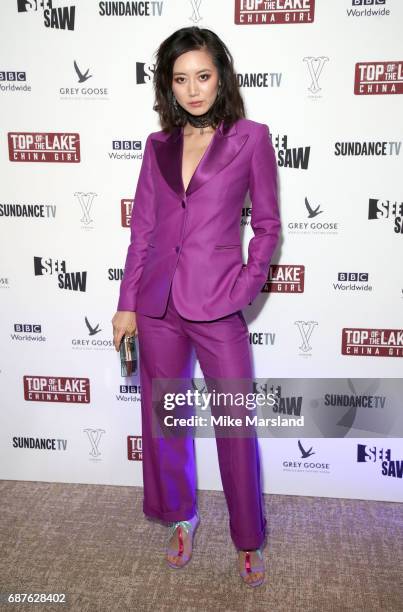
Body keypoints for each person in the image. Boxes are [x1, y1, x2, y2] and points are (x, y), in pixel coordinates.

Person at [112, 26, 281, 587]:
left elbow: (267, 226)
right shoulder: (157, 145)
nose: (193, 89)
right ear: (168, 85)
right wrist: (126, 304)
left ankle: (248, 539)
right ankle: (180, 518)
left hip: (216, 305)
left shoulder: (251, 138)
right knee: (167, 423)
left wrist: (245, 285)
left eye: (203, 76)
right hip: (157, 305)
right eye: (180, 79)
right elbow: (143, 231)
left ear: (221, 77)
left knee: (235, 426)